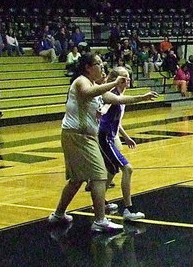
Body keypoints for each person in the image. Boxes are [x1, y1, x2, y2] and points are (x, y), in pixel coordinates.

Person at [48, 53, 152, 232]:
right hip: (76, 135)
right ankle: (100, 220)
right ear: (88, 67)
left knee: (77, 179)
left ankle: (58, 214)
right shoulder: (81, 81)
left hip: (85, 136)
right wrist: (113, 83)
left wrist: (141, 97)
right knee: (99, 175)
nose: (102, 67)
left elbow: (117, 99)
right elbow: (88, 93)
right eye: (98, 64)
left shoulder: (97, 86)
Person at [98, 67, 159, 221]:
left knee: (112, 170)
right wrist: (142, 97)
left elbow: (117, 122)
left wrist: (125, 137)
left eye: (128, 76)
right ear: (117, 80)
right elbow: (105, 107)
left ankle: (100, 202)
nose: (128, 79)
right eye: (125, 77)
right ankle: (129, 209)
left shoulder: (120, 95)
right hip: (104, 137)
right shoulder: (112, 95)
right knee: (127, 168)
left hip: (110, 136)